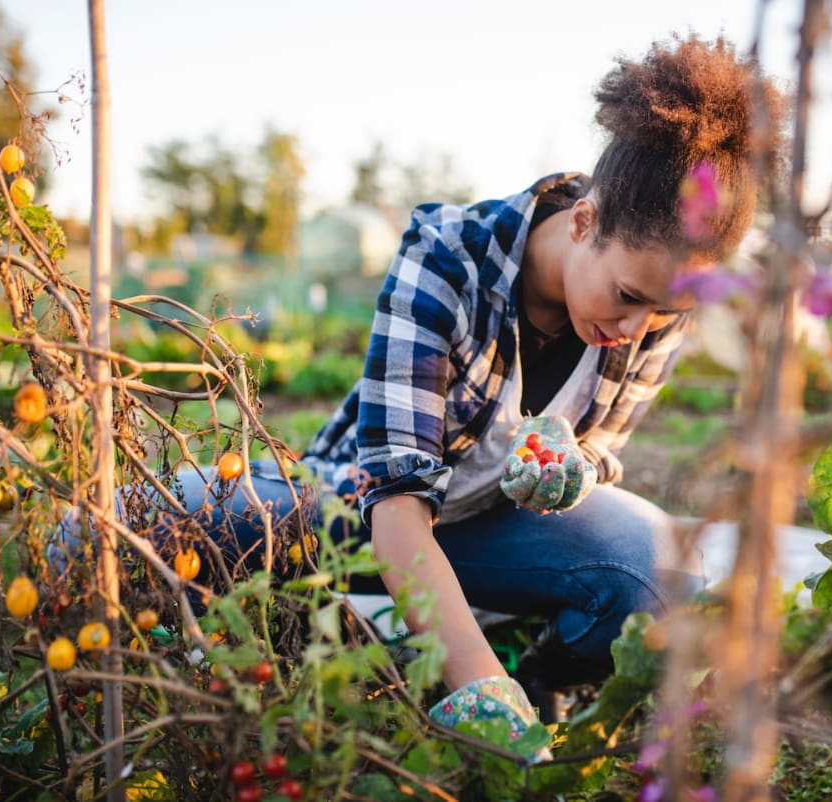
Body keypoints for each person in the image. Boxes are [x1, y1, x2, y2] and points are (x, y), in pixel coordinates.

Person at [56, 32, 782, 744]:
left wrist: (576, 469)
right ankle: (451, 670)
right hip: (350, 513)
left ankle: (535, 677)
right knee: (103, 532)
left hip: (489, 527)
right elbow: (396, 512)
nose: (641, 326)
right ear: (586, 220)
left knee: (660, 580)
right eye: (629, 297)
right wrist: (476, 685)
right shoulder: (448, 258)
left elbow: (598, 451)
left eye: (668, 311)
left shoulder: (656, 302)